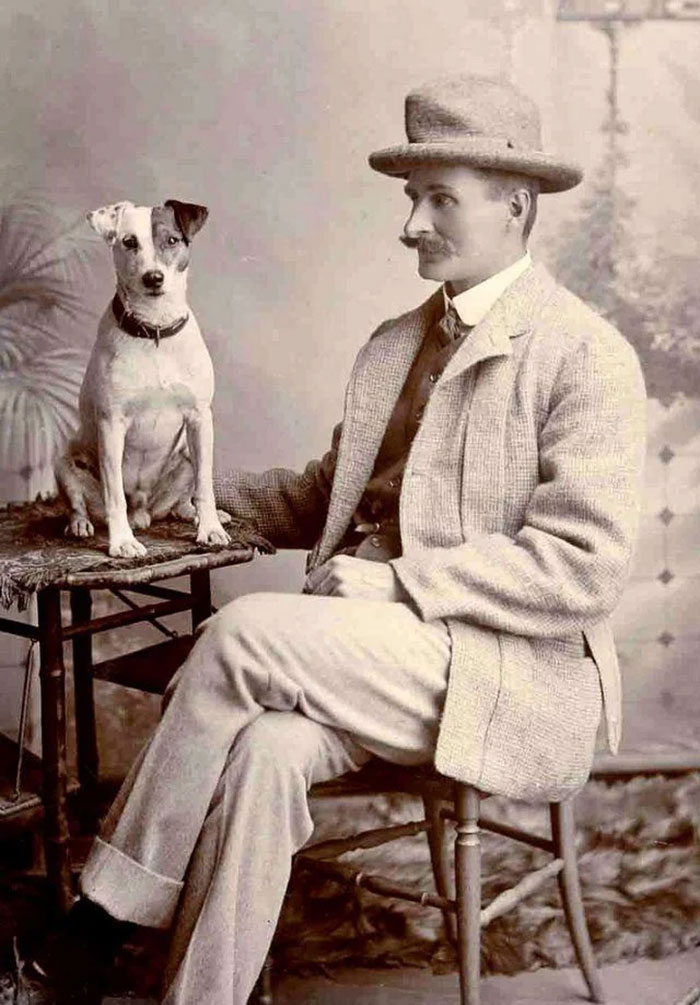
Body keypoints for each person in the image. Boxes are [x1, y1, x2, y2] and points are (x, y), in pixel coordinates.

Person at [35, 74, 646, 1003]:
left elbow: (583, 566)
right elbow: (324, 494)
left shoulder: (583, 353)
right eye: (411, 199)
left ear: (516, 207)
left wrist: (402, 585)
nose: (410, 224)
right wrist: (175, 494)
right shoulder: (396, 343)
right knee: (263, 755)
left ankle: (96, 923)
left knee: (241, 635)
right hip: (363, 657)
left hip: (496, 667)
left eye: (439, 198)